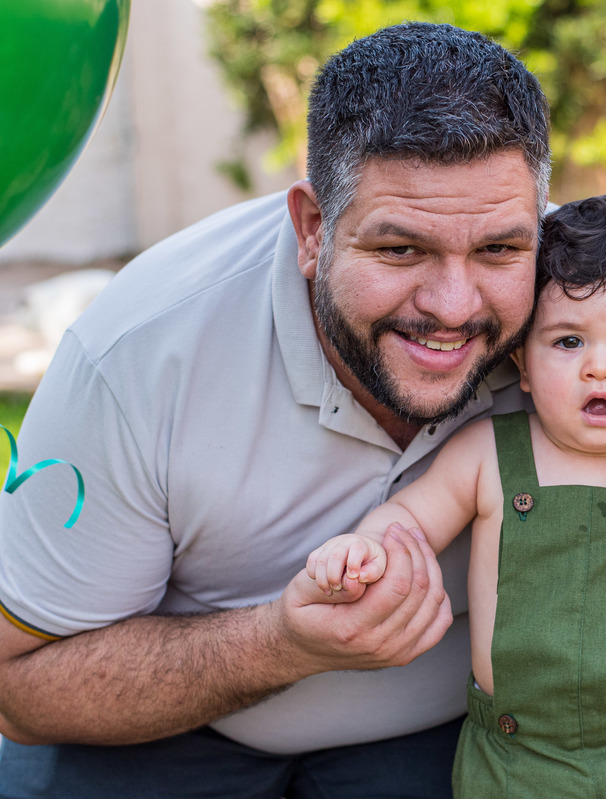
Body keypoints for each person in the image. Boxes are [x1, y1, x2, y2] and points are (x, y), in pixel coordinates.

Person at [0, 23, 551, 799]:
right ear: (313, 228)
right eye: (400, 250)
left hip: (453, 737)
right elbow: (17, 686)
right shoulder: (137, 353)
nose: (453, 307)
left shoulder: (588, 316)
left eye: (498, 250)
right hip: (173, 735)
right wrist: (281, 645)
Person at [305, 193, 606, 798]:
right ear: (522, 365)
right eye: (568, 341)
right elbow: (410, 519)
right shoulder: (488, 454)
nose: (600, 368)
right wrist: (365, 547)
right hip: (516, 757)